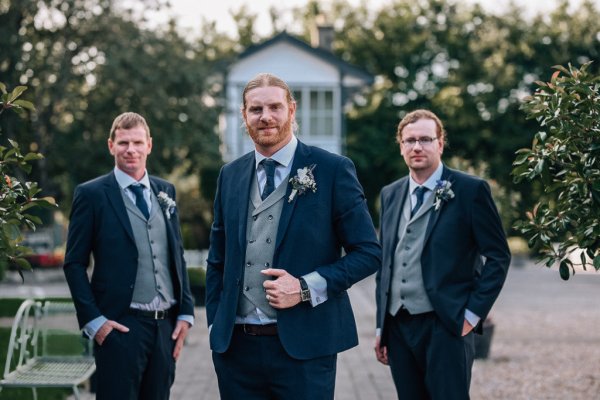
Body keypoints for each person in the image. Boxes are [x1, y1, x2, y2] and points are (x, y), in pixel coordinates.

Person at [206, 73, 381, 400]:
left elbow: (368, 252)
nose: (266, 117)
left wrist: (304, 287)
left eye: (274, 107)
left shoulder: (332, 169)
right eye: (256, 109)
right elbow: (218, 258)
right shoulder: (229, 175)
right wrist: (216, 324)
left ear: (291, 110)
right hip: (236, 351)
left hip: (306, 349)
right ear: (244, 115)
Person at [374, 109, 511, 399]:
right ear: (400, 146)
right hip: (397, 326)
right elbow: (386, 264)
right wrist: (380, 327)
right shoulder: (390, 194)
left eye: (425, 139)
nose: (417, 147)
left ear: (440, 143)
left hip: (447, 323)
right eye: (409, 140)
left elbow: (498, 256)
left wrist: (473, 314)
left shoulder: (471, 190)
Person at [63, 112, 195, 400]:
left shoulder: (166, 191)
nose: (131, 149)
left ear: (149, 145)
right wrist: (95, 322)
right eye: (123, 142)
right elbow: (74, 264)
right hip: (120, 325)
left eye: (137, 142)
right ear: (111, 145)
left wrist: (185, 313)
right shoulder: (92, 194)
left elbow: (176, 254)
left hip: (165, 327)